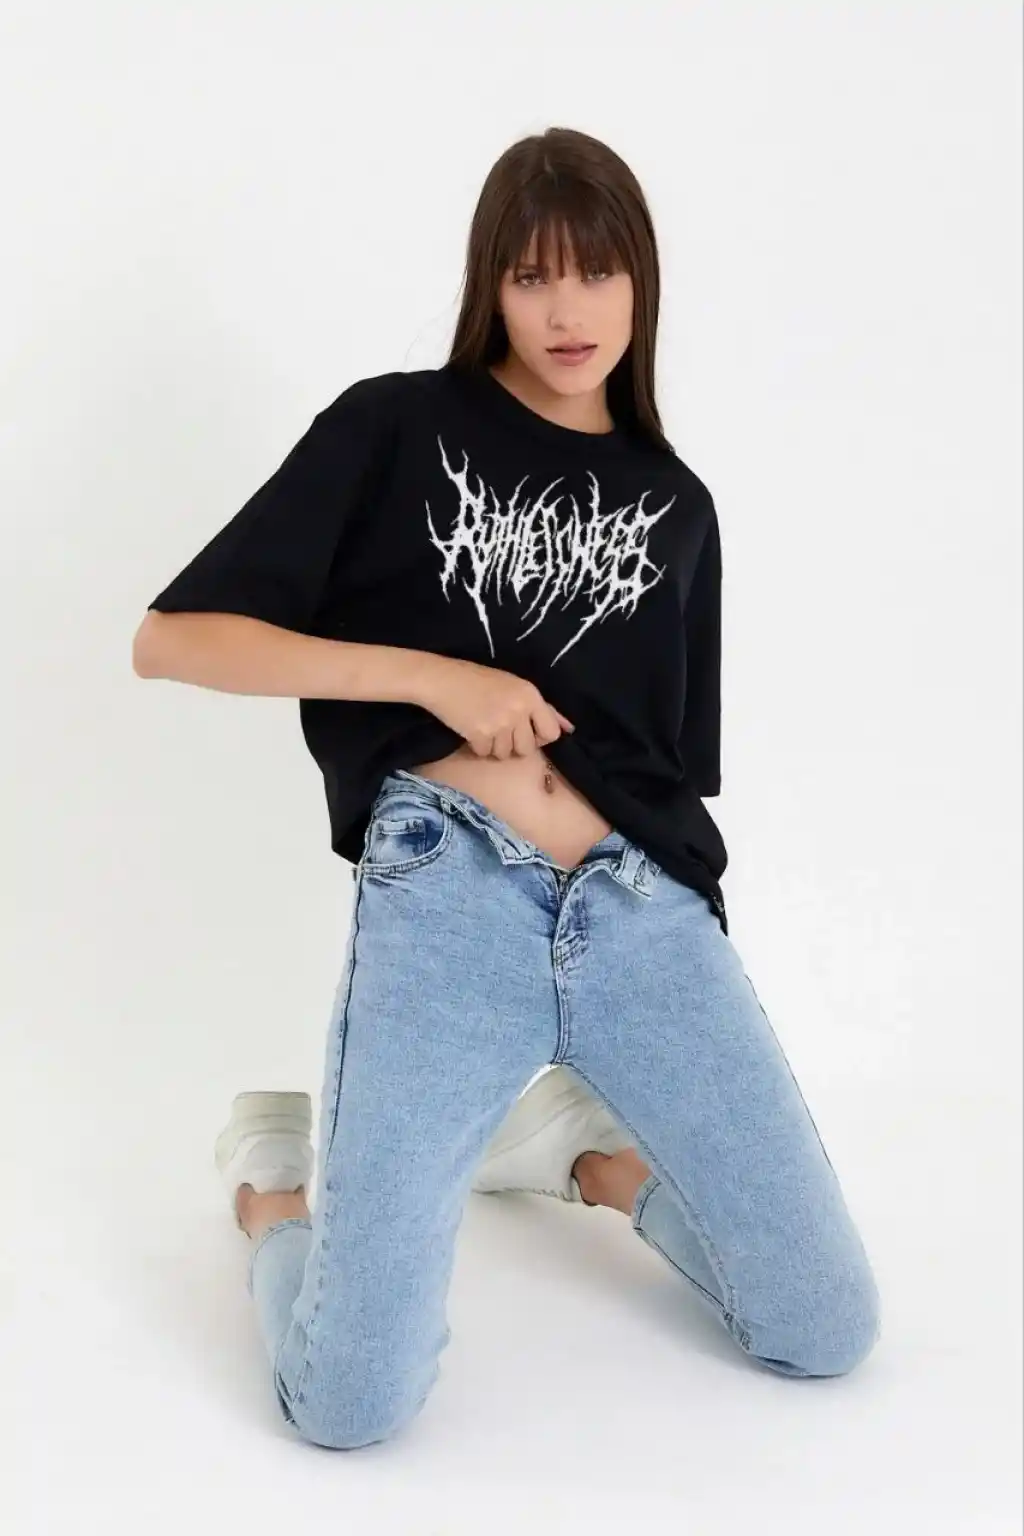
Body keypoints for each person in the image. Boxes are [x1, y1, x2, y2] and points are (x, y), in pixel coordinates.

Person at [133, 125, 881, 1449]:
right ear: (491, 285)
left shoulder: (679, 505)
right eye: (532, 276)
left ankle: (583, 1159)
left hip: (640, 911)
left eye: (596, 273)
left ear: (641, 284)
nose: (565, 310)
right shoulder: (396, 427)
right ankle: (275, 1192)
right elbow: (174, 640)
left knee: (825, 1328)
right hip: (451, 899)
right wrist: (435, 679)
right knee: (347, 1410)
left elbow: (665, 772)